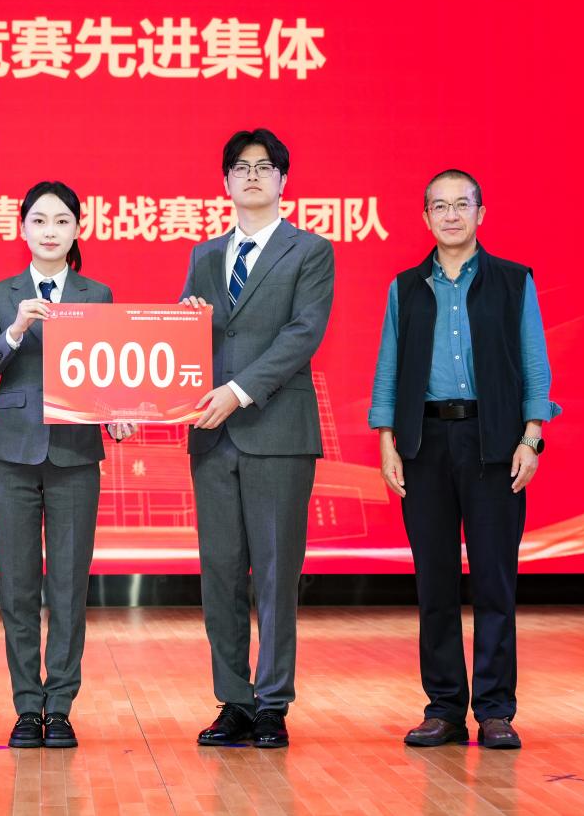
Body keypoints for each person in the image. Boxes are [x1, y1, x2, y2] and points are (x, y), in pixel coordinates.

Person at [368, 169, 561, 750]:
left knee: (495, 581)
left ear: (481, 213)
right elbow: (388, 368)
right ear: (425, 217)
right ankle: (445, 708)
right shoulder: (405, 287)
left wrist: (531, 437)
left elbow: (535, 363)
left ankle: (496, 710)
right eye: (439, 206)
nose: (450, 215)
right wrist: (387, 441)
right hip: (424, 444)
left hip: (494, 442)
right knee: (435, 583)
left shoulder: (513, 281)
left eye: (461, 204)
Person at [179, 129, 335, 748]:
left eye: (264, 167)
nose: (251, 176)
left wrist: (238, 391)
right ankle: (234, 701)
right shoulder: (204, 254)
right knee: (219, 574)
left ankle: (272, 703)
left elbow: (303, 334)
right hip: (211, 436)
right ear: (225, 182)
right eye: (240, 167)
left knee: (274, 574)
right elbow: (182, 337)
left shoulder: (310, 251)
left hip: (276, 432)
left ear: (283, 180)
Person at [0, 181, 134, 749]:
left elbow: (111, 374)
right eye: (38, 220)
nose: (49, 231)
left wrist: (118, 415)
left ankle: (60, 705)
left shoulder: (97, 293)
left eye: (62, 221)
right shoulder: (1, 295)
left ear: (77, 230)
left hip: (74, 454)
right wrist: (15, 329)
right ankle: (25, 705)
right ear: (22, 229)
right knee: (17, 588)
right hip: (11, 457)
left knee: (68, 585)